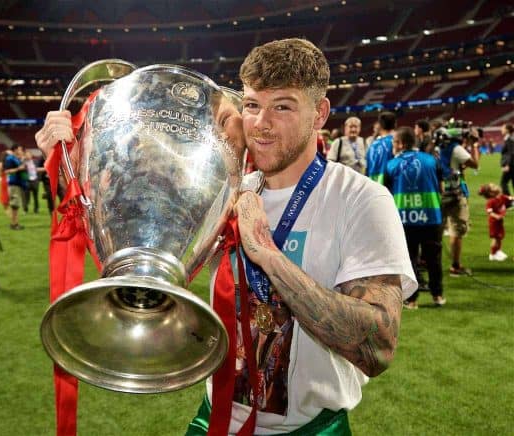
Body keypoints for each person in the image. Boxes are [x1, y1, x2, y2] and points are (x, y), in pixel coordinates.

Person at [36, 38, 416, 435]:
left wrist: (267, 254)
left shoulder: (360, 200)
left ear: (319, 113)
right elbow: (138, 212)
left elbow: (377, 346)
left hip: (309, 429)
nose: (261, 123)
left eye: (282, 106)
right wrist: (77, 164)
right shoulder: (227, 186)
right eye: (252, 105)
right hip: (215, 420)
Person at [384, 127, 444, 309]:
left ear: (401, 143)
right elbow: (440, 187)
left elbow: (387, 193)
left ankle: (412, 299)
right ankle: (438, 295)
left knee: (409, 260)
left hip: (404, 219)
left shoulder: (392, 165)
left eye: (394, 142)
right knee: (433, 258)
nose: (393, 146)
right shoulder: (432, 160)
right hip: (430, 217)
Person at [435, 126, 479, 276]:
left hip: (438, 192)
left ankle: (430, 264)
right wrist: (474, 146)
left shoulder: (435, 148)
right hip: (454, 194)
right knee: (456, 229)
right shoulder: (456, 148)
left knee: (436, 231)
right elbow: (474, 164)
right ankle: (455, 265)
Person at [478, 183, 513, 261]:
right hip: (494, 223)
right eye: (493, 187)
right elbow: (489, 212)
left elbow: (510, 199)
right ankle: (493, 254)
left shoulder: (501, 197)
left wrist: (512, 199)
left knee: (500, 237)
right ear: (491, 193)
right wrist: (496, 216)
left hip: (500, 222)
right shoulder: (491, 201)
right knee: (495, 238)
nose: (496, 186)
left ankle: (498, 251)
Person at [366, 112, 396, 184]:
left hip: (373, 184)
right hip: (390, 185)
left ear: (380, 125)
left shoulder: (372, 145)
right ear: (395, 124)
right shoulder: (396, 143)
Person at [3, 144, 26, 229]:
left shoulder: (15, 158)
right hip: (14, 184)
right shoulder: (10, 158)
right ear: (15, 150)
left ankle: (15, 223)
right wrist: (18, 169)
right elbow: (6, 171)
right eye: (20, 149)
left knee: (16, 205)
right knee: (15, 205)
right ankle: (14, 224)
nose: (21, 151)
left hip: (18, 183)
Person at [500, 123, 514, 195]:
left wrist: (507, 165)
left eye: (502, 128)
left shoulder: (509, 139)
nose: (501, 129)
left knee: (503, 183)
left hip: (511, 165)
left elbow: (511, 153)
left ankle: (509, 200)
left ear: (507, 130)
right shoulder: (509, 138)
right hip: (511, 164)